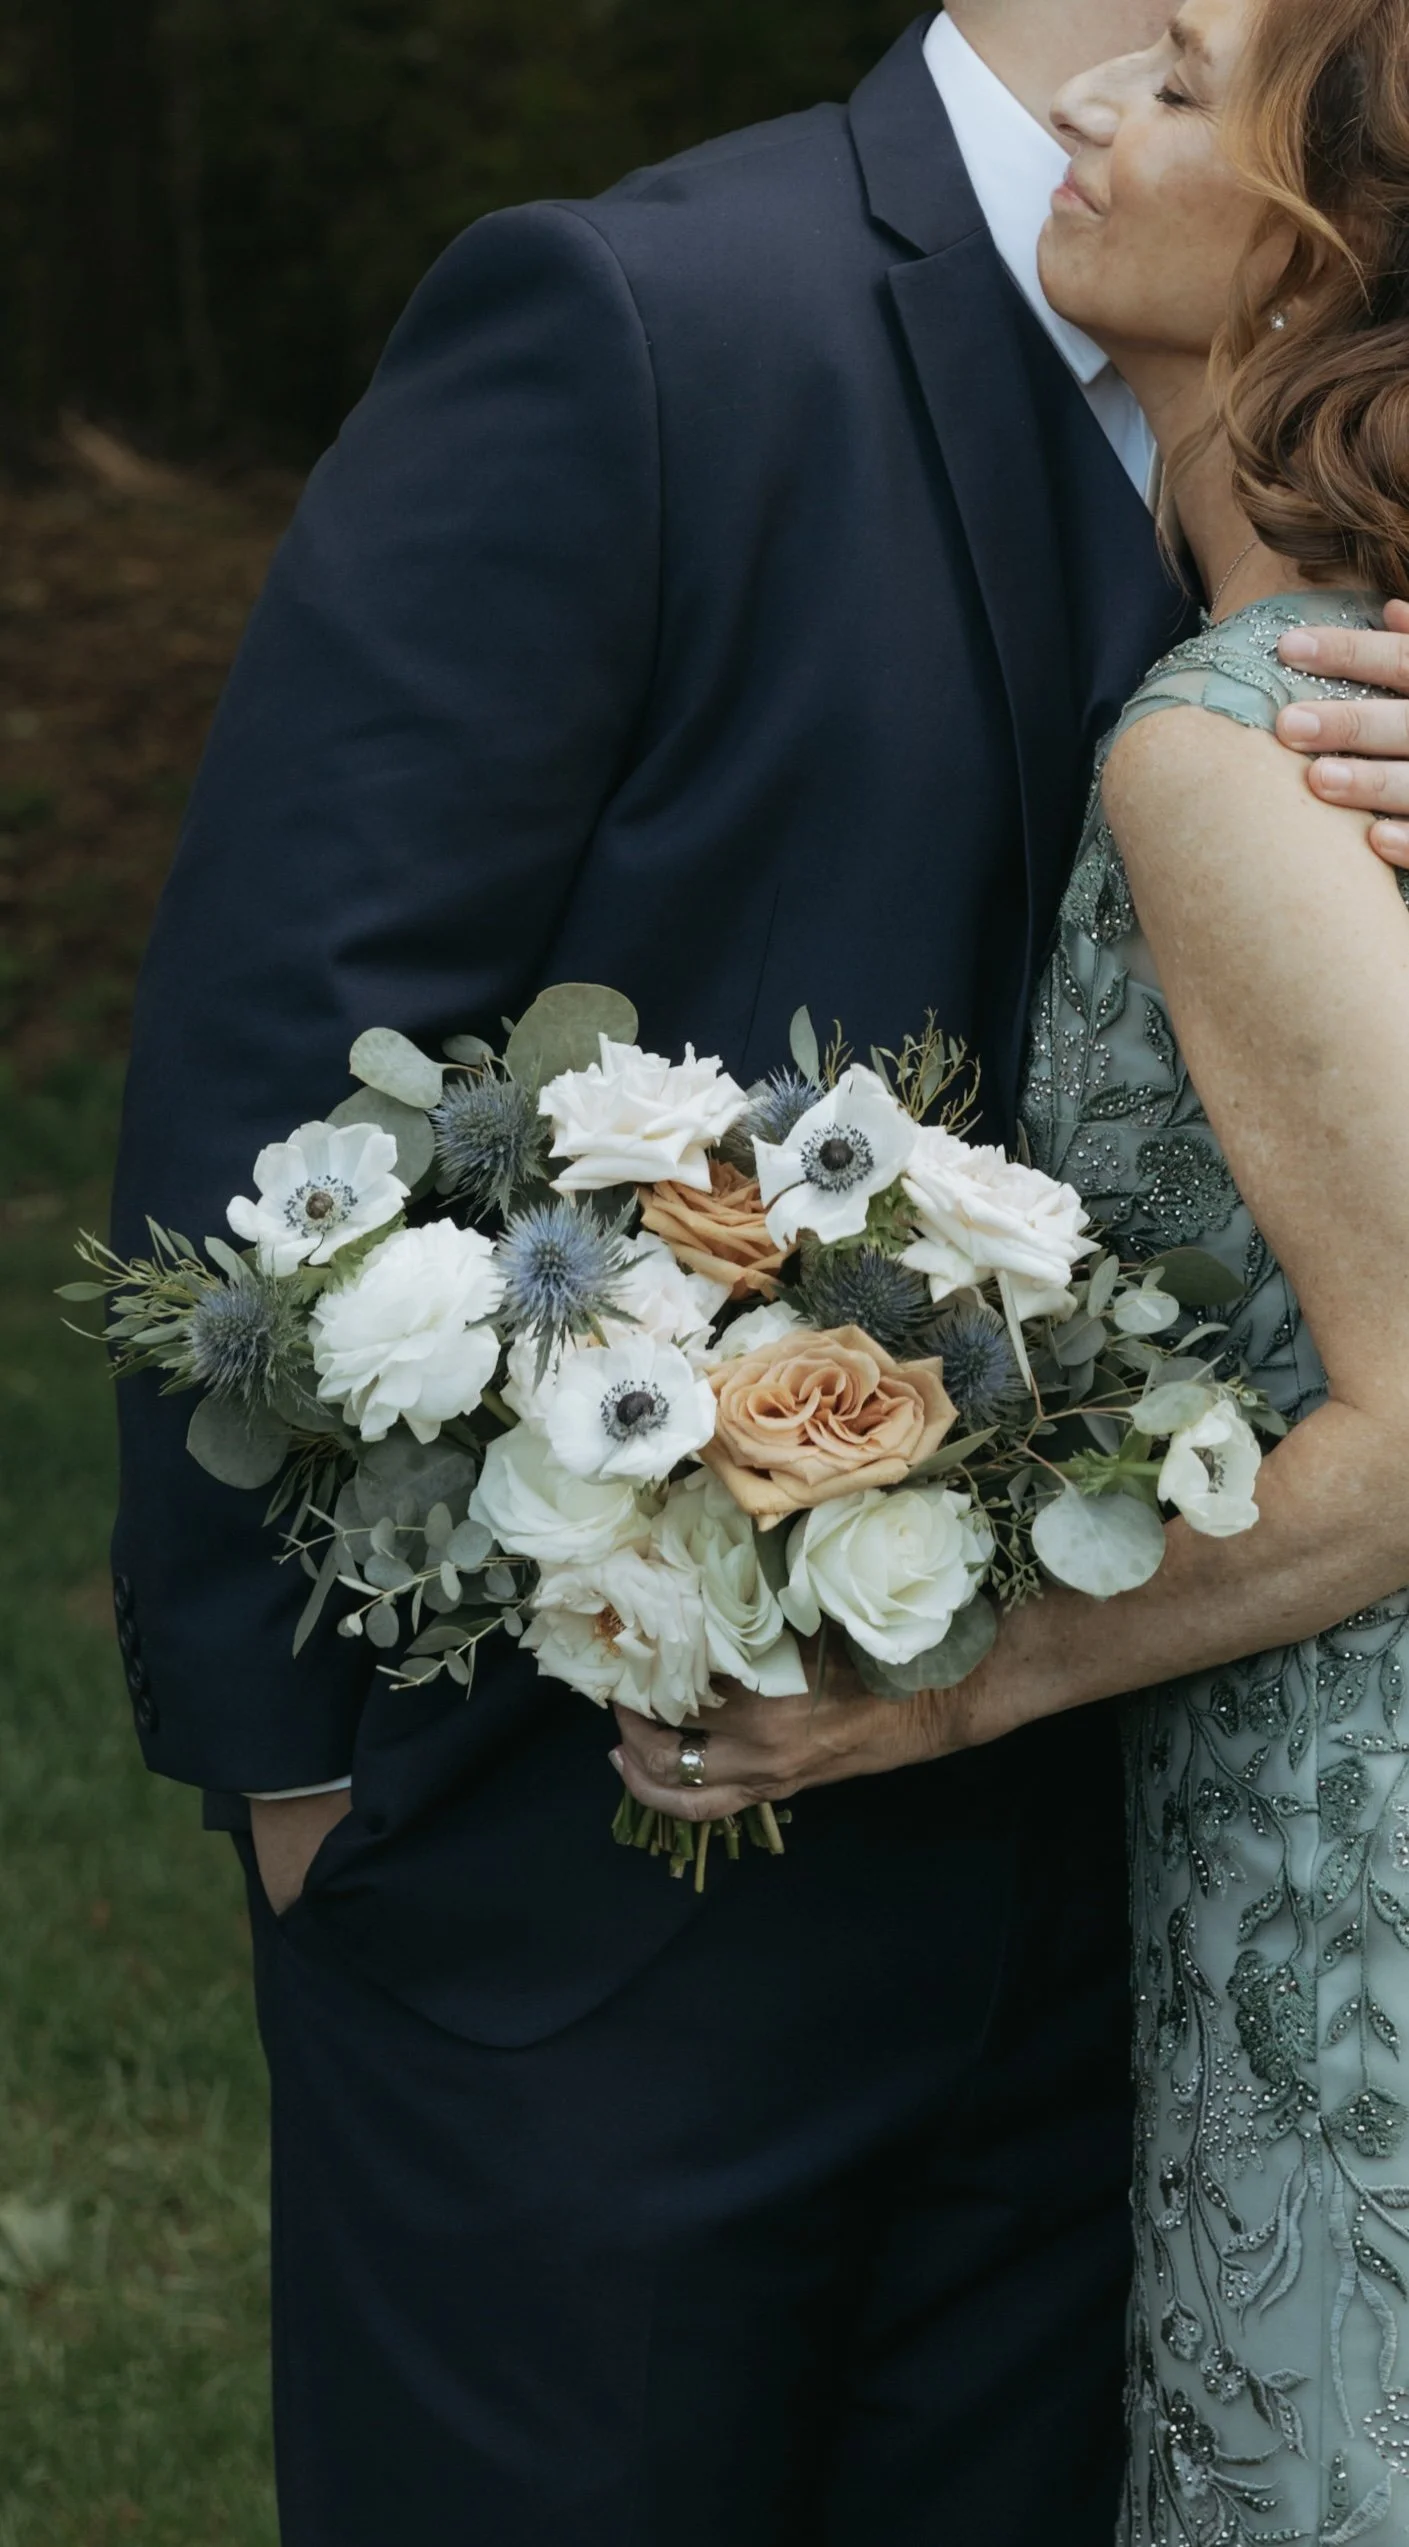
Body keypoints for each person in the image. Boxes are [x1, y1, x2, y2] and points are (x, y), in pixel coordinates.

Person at [108, 7, 1409, 2542]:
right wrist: (313, 1798)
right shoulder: (637, 322)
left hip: (1127, 1896)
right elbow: (287, 1044)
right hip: (595, 1897)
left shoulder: (1303, 497)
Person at [617, 0, 1409, 2535]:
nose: (1080, 103)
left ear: (1310, 265)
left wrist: (926, 1692)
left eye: (1175, 85)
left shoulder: (1230, 748)